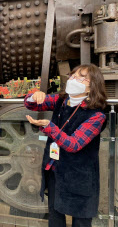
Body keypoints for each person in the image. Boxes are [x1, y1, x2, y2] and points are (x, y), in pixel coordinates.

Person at [24, 64, 107, 227]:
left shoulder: (97, 115)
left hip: (80, 177)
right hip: (57, 170)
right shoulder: (62, 100)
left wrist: (49, 127)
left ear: (92, 86)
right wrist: (35, 96)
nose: (74, 79)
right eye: (73, 75)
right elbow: (30, 104)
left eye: (81, 77)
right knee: (55, 216)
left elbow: (74, 144)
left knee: (81, 221)